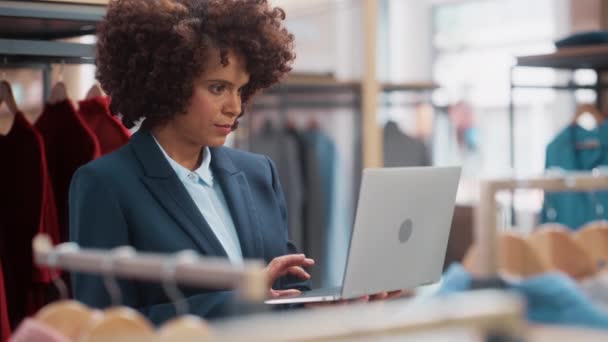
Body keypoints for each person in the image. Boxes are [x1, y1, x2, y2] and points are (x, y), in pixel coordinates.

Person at [70, 0, 398, 324]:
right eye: (218, 88)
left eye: (241, 90)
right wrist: (241, 300)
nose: (235, 107)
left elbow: (284, 295)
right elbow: (102, 326)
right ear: (167, 83)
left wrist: (330, 303)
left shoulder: (258, 173)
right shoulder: (106, 184)